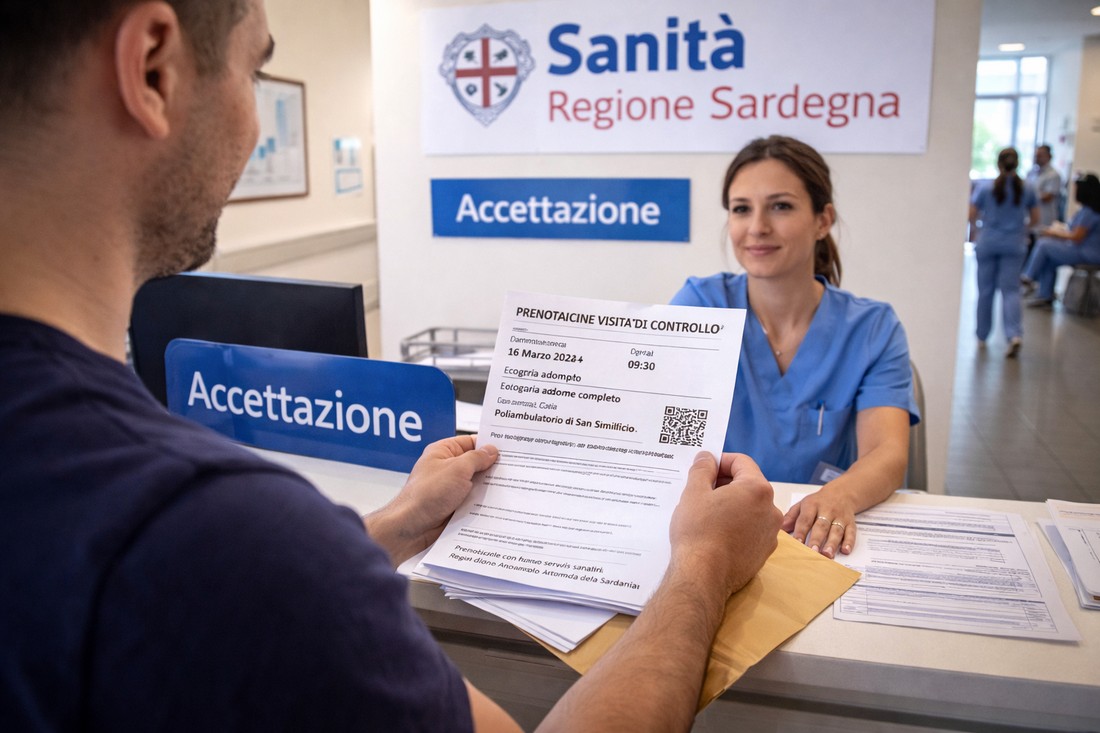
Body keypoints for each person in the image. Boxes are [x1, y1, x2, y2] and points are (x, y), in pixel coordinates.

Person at [0, 1, 783, 731]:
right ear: (153, 68)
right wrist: (704, 563)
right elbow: (249, 575)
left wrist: (399, 523)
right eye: (255, 70)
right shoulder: (209, 529)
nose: (253, 120)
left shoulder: (155, 520)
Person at [670, 135, 919, 560]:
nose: (757, 227)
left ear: (823, 220)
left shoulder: (873, 328)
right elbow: (647, 414)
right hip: (719, 527)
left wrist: (840, 495)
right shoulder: (701, 305)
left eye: (780, 206)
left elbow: (887, 452)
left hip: (816, 537)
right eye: (741, 209)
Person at [967, 147, 1039, 356]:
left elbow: (971, 214)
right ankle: (1014, 335)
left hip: (988, 242)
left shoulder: (985, 188)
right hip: (1014, 244)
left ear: (998, 164)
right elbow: (1036, 218)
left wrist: (979, 230)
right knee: (1011, 291)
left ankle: (982, 336)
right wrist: (1021, 230)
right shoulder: (1027, 188)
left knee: (985, 291)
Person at [1022, 173, 1100, 308]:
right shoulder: (1087, 210)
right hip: (1084, 250)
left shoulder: (1089, 212)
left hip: (1087, 254)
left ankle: (1028, 277)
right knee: (1049, 259)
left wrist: (1053, 233)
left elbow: (1077, 237)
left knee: (1044, 244)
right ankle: (1045, 295)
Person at [1024, 144, 1063, 262]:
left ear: (1049, 156)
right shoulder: (1032, 173)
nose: (1037, 158)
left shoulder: (1053, 175)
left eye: (1040, 155)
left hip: (1045, 220)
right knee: (1028, 252)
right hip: (1030, 219)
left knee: (1040, 254)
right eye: (1036, 155)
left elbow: (1048, 196)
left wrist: (1030, 196)